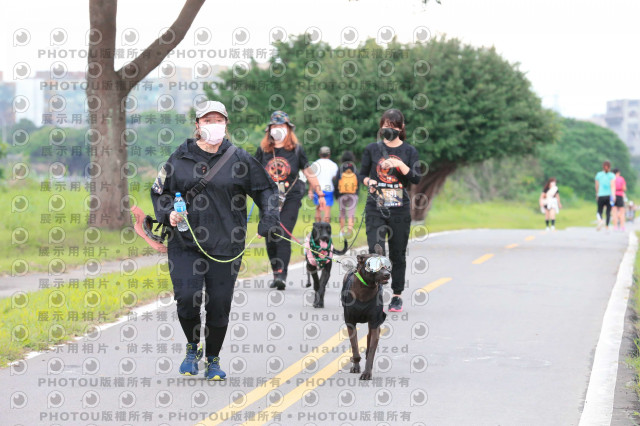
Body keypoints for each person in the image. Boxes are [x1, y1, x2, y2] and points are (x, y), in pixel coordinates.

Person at [150, 101, 279, 380]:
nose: (214, 125)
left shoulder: (239, 159)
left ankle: (213, 359)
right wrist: (168, 213)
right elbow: (160, 192)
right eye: (208, 120)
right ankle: (192, 348)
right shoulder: (179, 157)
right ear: (197, 125)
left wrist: (269, 218)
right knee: (187, 298)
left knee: (219, 303)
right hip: (185, 242)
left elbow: (266, 190)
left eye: (218, 120)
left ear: (226, 123)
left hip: (226, 245)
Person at [254, 111, 326, 290]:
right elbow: (253, 172)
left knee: (283, 233)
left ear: (288, 129)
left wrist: (320, 193)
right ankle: (275, 272)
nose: (278, 129)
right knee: (270, 235)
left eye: (281, 126)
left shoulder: (296, 150)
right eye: (274, 126)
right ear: (269, 129)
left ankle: (282, 274)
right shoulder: (263, 150)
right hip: (268, 199)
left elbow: (309, 172)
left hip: (290, 197)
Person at [359, 109, 421, 313]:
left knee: (398, 252)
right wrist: (369, 182)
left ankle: (396, 295)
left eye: (394, 126)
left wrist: (399, 164)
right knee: (376, 250)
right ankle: (376, 292)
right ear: (381, 127)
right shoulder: (372, 149)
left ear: (401, 128)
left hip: (399, 209)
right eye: (386, 125)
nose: (390, 129)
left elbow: (416, 178)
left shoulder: (409, 151)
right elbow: (362, 175)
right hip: (375, 206)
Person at [333, 150, 360, 237]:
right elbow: (358, 182)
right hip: (353, 194)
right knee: (351, 214)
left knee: (342, 214)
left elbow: (336, 182)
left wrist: (336, 195)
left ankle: (342, 232)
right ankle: (349, 232)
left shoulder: (341, 168)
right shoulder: (354, 168)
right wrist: (357, 193)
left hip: (342, 194)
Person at [309, 146, 338, 222]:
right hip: (329, 189)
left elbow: (312, 178)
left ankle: (317, 227)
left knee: (318, 209)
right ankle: (326, 228)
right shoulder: (333, 165)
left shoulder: (315, 164)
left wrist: (310, 190)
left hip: (317, 189)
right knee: (327, 210)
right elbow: (335, 178)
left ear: (320, 154)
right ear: (329, 154)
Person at [595, 161, 615, 231]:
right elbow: (612, 186)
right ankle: (607, 226)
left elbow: (597, 185)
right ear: (610, 167)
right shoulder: (612, 175)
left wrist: (597, 194)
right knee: (608, 211)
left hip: (601, 195)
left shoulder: (598, 174)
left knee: (599, 210)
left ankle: (600, 220)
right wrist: (613, 195)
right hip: (609, 195)